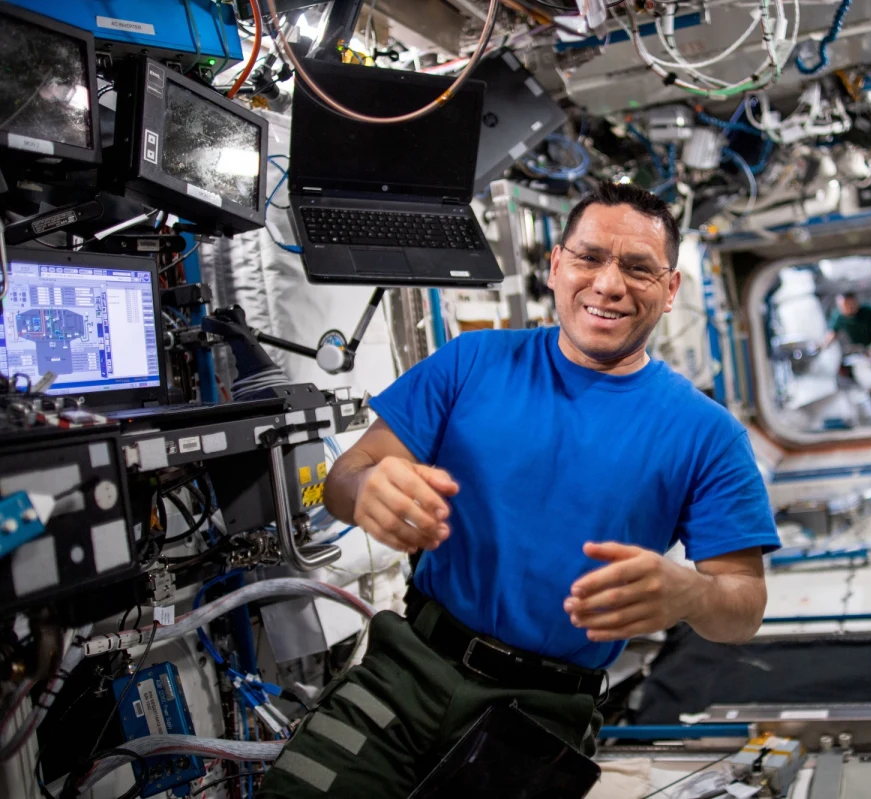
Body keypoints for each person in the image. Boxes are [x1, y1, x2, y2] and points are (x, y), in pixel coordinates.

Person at [259, 182, 780, 797]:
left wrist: (691, 594)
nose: (609, 285)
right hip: (408, 673)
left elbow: (743, 605)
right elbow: (344, 480)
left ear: (669, 292)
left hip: (541, 717)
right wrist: (365, 486)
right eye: (589, 258)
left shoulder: (708, 435)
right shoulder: (469, 363)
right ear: (556, 266)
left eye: (638, 268)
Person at [822, 292, 871, 423]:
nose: (847, 309)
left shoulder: (870, 311)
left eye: (849, 305)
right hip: (861, 359)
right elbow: (831, 335)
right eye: (843, 306)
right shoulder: (839, 317)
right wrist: (821, 346)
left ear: (856, 302)